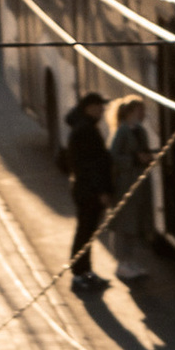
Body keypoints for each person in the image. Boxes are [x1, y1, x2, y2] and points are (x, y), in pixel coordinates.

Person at [62, 91, 113, 299]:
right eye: (99, 106)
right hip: (89, 191)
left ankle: (86, 271)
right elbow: (91, 166)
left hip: (85, 189)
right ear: (89, 107)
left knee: (88, 232)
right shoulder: (85, 130)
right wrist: (101, 191)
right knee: (85, 231)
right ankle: (79, 273)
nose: (102, 110)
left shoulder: (85, 127)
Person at [107, 95, 156, 285]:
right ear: (130, 113)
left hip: (138, 186)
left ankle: (130, 260)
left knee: (135, 223)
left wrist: (147, 158)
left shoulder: (140, 130)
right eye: (140, 111)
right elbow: (114, 157)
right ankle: (122, 261)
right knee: (124, 224)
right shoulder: (122, 132)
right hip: (125, 185)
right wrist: (135, 160)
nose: (143, 114)